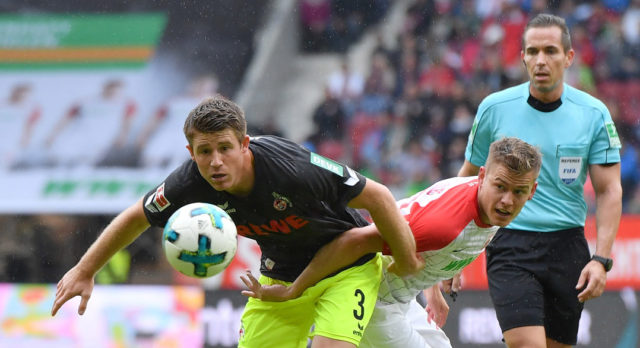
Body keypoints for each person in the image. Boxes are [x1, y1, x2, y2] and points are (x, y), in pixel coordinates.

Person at [50, 95, 423, 348]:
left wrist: (407, 262)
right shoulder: (189, 182)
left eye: (225, 148)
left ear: (244, 144)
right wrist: (85, 270)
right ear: (190, 152)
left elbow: (379, 197)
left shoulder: (293, 170)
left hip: (346, 269)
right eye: (204, 152)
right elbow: (138, 215)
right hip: (278, 281)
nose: (215, 162)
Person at [241, 137, 541, 348]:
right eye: (500, 187)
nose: (506, 201)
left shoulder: (479, 201)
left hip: (400, 298)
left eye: (518, 192)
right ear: (483, 176)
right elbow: (354, 241)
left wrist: (433, 287)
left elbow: (416, 232)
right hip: (373, 299)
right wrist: (294, 290)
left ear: (532, 191)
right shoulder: (446, 224)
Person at [457, 14, 622, 348]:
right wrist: (452, 254)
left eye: (550, 51)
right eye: (532, 52)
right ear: (522, 57)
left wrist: (601, 259)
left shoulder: (593, 114)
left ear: (569, 57)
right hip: (509, 243)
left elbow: (609, 191)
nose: (541, 60)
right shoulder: (494, 108)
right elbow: (466, 182)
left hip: (568, 248)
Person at [44, 79, 136, 167]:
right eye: (111, 91)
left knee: (85, 162)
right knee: (59, 155)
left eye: (116, 92)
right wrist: (53, 135)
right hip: (80, 134)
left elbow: (127, 122)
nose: (113, 94)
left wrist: (123, 136)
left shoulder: (126, 104)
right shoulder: (86, 102)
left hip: (102, 139)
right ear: (104, 88)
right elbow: (66, 119)